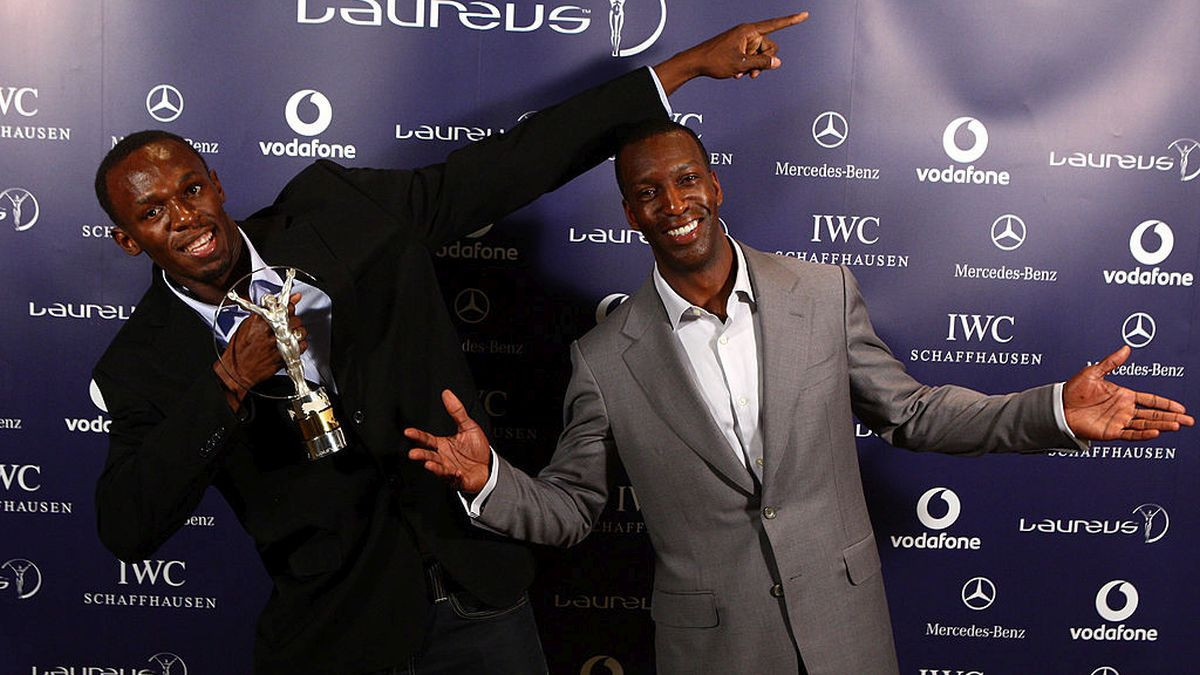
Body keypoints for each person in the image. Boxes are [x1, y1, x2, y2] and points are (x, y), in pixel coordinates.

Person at [90, 15, 810, 675]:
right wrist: (227, 385)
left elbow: (508, 165)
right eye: (153, 212)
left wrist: (679, 70)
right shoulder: (142, 362)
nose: (186, 217)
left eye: (190, 190)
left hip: (479, 592)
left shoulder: (336, 210)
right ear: (128, 240)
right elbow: (128, 523)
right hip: (340, 635)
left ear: (215, 182)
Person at [404, 119, 1194, 674]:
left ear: (713, 185)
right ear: (629, 214)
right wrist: (490, 482)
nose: (673, 203)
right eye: (649, 192)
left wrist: (1054, 407)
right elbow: (574, 508)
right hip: (714, 649)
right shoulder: (604, 357)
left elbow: (913, 412)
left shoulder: (821, 292)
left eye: (685, 180)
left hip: (845, 631)